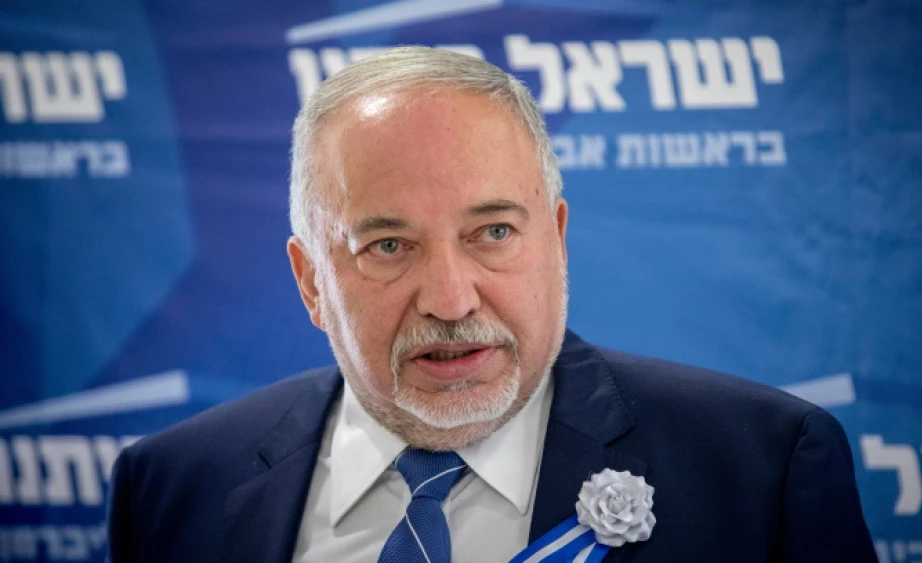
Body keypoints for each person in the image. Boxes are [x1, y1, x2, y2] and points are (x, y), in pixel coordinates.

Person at [106, 47, 878, 563]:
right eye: (388, 245)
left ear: (558, 238)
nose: (449, 298)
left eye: (494, 231)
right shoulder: (170, 490)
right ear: (311, 282)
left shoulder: (763, 471)